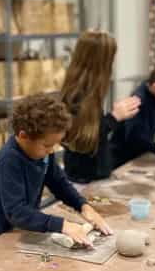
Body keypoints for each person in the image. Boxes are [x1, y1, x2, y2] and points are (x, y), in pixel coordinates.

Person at [0, 93, 112, 252]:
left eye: (54, 145)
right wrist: (62, 225)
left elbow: (59, 183)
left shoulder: (41, 153)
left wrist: (83, 206)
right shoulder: (8, 160)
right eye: (47, 145)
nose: (51, 151)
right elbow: (17, 212)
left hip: (15, 233)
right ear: (23, 136)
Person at [60, 30, 141, 183]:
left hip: (93, 174)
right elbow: (83, 139)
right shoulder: (78, 94)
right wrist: (114, 117)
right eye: (111, 59)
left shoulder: (91, 90)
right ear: (100, 62)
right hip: (83, 177)